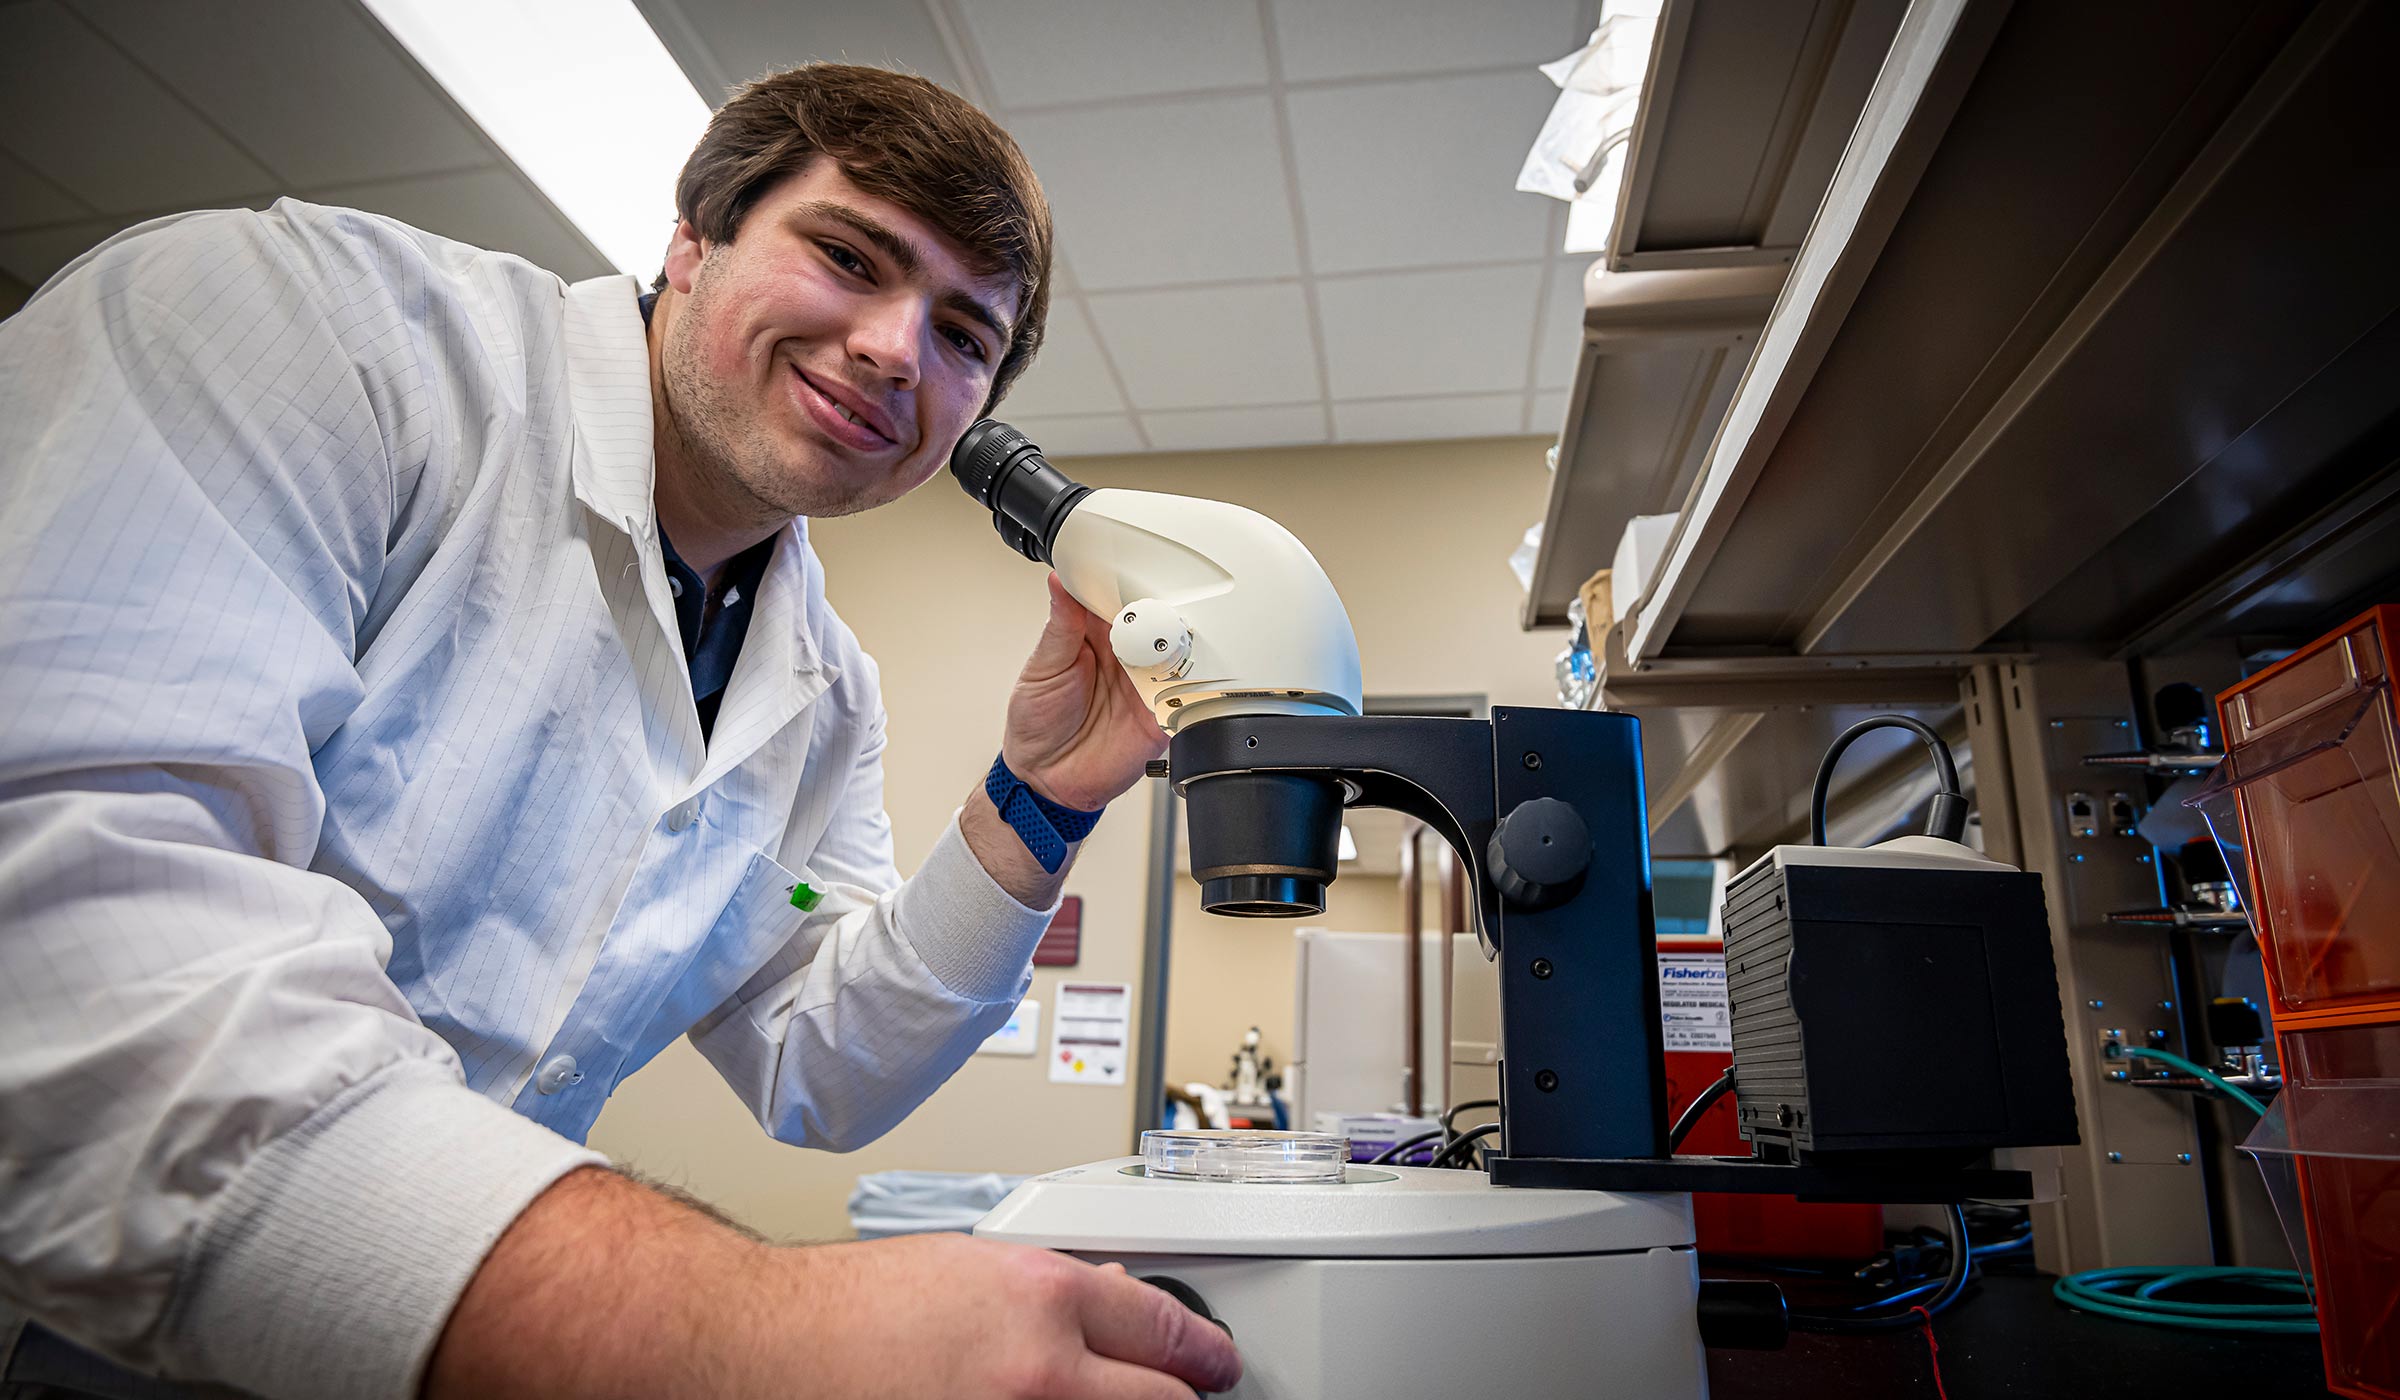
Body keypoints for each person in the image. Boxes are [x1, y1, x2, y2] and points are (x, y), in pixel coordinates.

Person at [0, 63, 1239, 1400]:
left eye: (965, 338)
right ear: (693, 239)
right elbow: (73, 949)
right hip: (114, 1334)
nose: (896, 349)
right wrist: (739, 1329)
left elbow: (821, 1051)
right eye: (849, 255)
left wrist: (1040, 797)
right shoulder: (307, 331)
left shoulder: (824, 694)